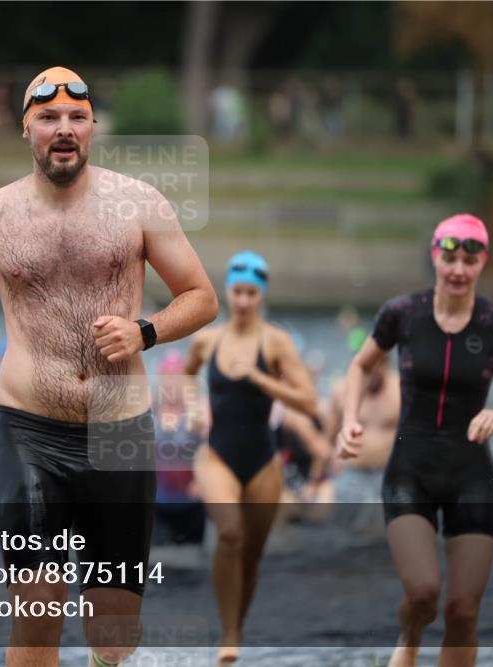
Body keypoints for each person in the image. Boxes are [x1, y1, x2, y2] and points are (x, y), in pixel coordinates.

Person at [0, 66, 218, 667]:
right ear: (26, 128)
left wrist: (144, 332)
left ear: (92, 127)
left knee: (114, 632)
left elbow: (201, 296)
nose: (64, 129)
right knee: (38, 611)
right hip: (29, 428)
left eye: (77, 118)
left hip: (120, 431)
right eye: (49, 118)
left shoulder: (139, 204)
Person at [338, 214, 493, 667]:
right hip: (410, 471)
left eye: (470, 259)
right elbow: (360, 366)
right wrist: (350, 419)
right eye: (450, 259)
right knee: (423, 592)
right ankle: (409, 638)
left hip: (472, 476)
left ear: (482, 262)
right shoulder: (402, 314)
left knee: (462, 612)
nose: (459, 270)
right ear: (435, 259)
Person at [184, 251, 317, 664]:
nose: (243, 300)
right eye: (237, 292)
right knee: (229, 533)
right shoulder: (208, 339)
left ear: (262, 295)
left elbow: (308, 399)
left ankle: (235, 628)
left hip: (262, 459)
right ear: (227, 291)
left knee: (252, 555)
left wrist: (261, 377)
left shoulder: (275, 343)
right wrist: (192, 407)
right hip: (217, 455)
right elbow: (187, 374)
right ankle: (228, 636)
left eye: (251, 293)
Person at [325, 337, 400, 534]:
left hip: (388, 473)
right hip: (352, 474)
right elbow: (328, 437)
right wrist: (323, 470)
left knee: (388, 534)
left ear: (387, 365)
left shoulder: (402, 391)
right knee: (344, 533)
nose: (374, 370)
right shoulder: (341, 392)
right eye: (368, 365)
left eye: (379, 364)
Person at [152, 349, 207, 546]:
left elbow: (213, 449)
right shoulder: (148, 410)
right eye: (167, 377)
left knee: (191, 567)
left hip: (191, 503)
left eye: (176, 378)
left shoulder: (198, 411)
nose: (171, 383)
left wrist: (203, 481)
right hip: (157, 504)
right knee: (160, 566)